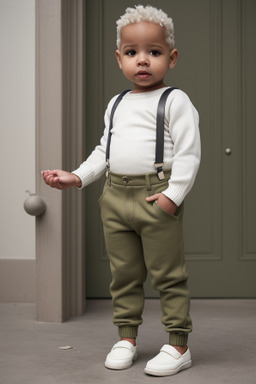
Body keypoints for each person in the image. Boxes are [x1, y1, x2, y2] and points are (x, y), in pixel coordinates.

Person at [42, 5, 201, 377]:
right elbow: (105, 151)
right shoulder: (117, 104)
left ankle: (178, 344)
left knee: (168, 274)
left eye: (154, 52)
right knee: (124, 273)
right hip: (114, 197)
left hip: (155, 196)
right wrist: (78, 176)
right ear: (119, 58)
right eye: (132, 53)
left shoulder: (175, 101)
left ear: (172, 58)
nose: (142, 61)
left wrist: (172, 196)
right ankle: (126, 337)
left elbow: (190, 154)